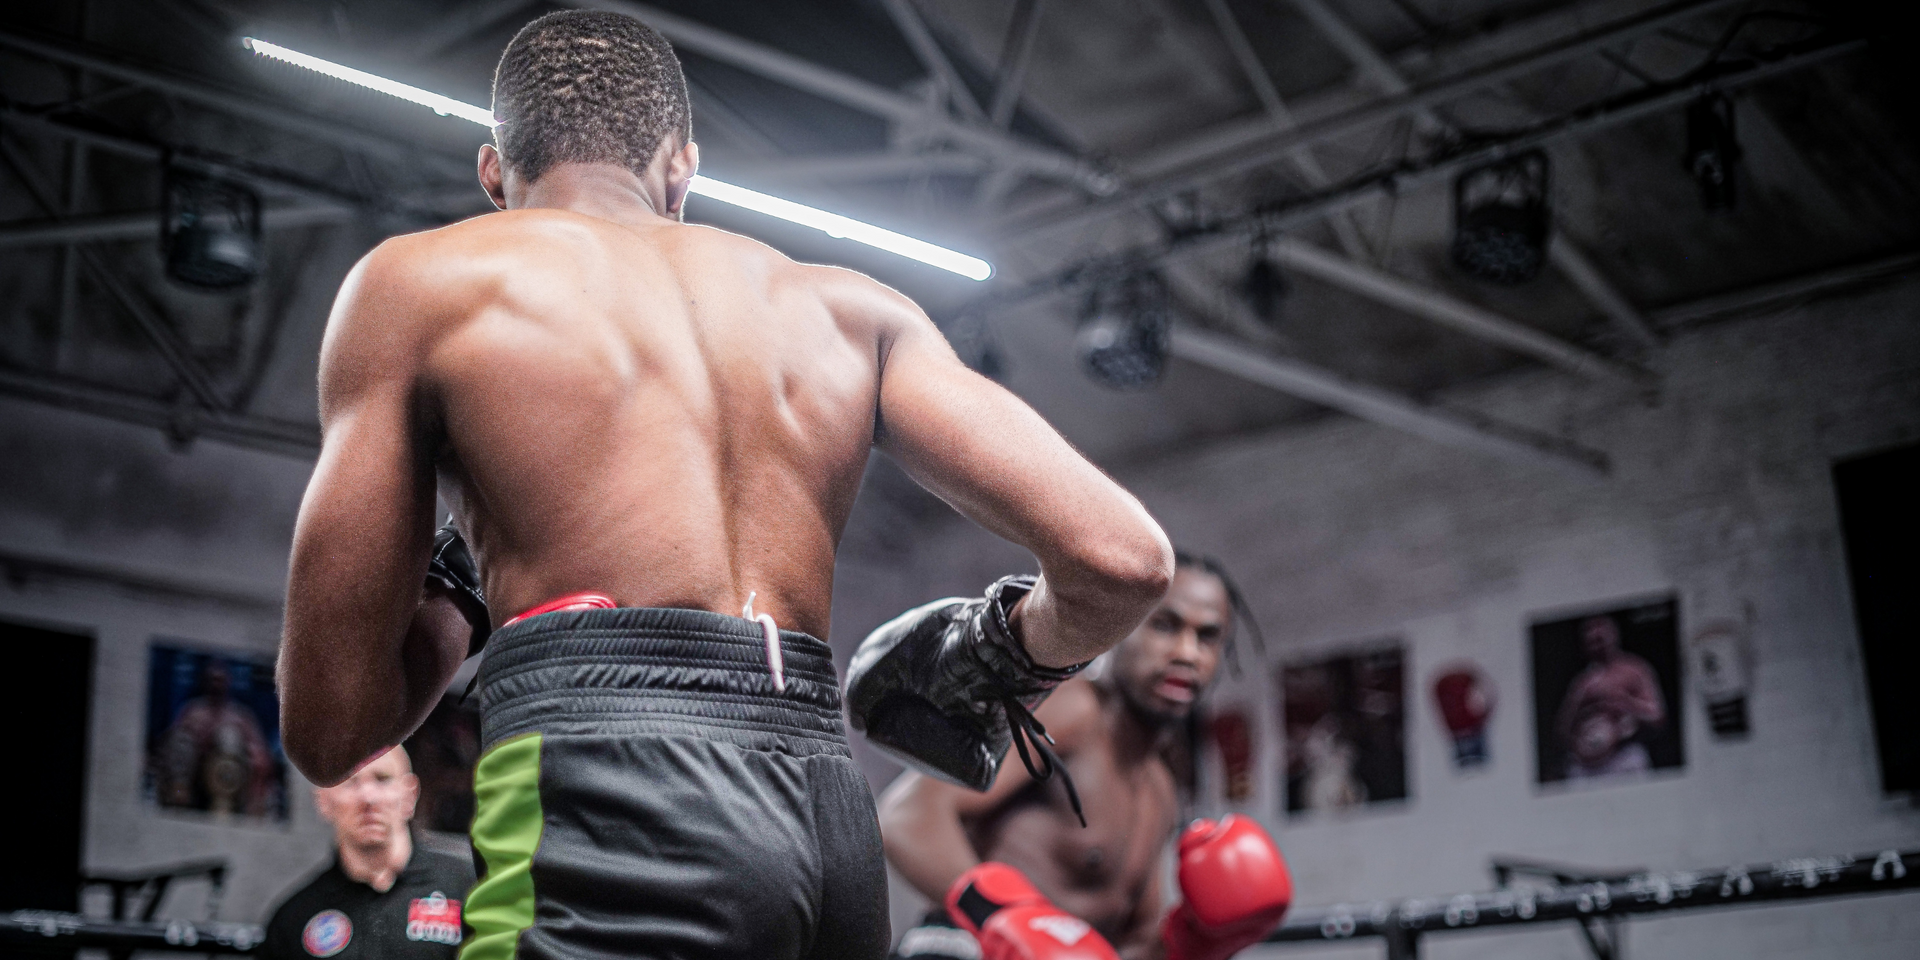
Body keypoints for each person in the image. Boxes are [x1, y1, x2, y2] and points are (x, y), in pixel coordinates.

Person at [277, 10, 1172, 960]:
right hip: (831, 819)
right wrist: (994, 654)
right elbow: (1122, 560)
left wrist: (470, 574)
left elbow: (331, 730)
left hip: (611, 790)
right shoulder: (856, 310)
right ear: (681, 169)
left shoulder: (422, 284)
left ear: (495, 174)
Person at [880, 555, 1292, 960]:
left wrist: (1196, 940)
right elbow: (906, 817)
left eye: (1207, 636)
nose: (1187, 652)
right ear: (1118, 631)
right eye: (1165, 626)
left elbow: (1131, 945)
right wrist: (1007, 919)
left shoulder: (1159, 789)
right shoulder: (1072, 710)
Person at [262, 747, 473, 960]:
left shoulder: (468, 888)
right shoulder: (293, 921)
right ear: (323, 801)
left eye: (382, 779)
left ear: (410, 795)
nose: (368, 798)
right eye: (350, 782)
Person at [1557, 614, 1667, 780]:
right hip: (1586, 764)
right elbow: (1562, 732)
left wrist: (1623, 701)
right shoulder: (1582, 682)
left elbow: (1657, 715)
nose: (1597, 645)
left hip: (1625, 757)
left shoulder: (1635, 670)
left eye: (1600, 638)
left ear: (1613, 636)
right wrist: (1578, 704)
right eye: (1592, 641)